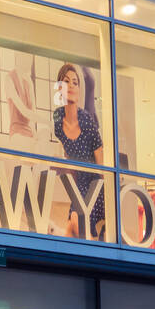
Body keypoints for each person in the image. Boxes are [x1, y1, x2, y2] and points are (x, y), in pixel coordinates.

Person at [52, 62, 105, 239]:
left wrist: (105, 192)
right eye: (67, 82)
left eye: (75, 82)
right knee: (71, 227)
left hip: (95, 183)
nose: (72, 86)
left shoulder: (87, 121)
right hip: (79, 184)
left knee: (75, 223)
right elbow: (68, 155)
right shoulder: (58, 120)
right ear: (59, 87)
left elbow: (101, 162)